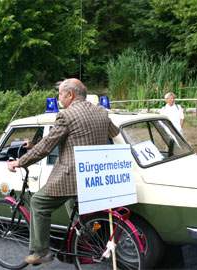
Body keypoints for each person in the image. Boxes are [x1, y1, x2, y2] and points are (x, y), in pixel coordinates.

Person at [7, 78, 120, 265]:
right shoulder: (101, 111)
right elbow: (112, 134)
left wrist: (20, 162)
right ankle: (87, 240)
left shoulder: (66, 115)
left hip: (72, 176)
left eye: (60, 93)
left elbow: (46, 147)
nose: (58, 97)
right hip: (95, 175)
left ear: (70, 95)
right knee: (76, 210)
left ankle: (41, 252)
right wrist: (33, 144)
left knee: (38, 202)